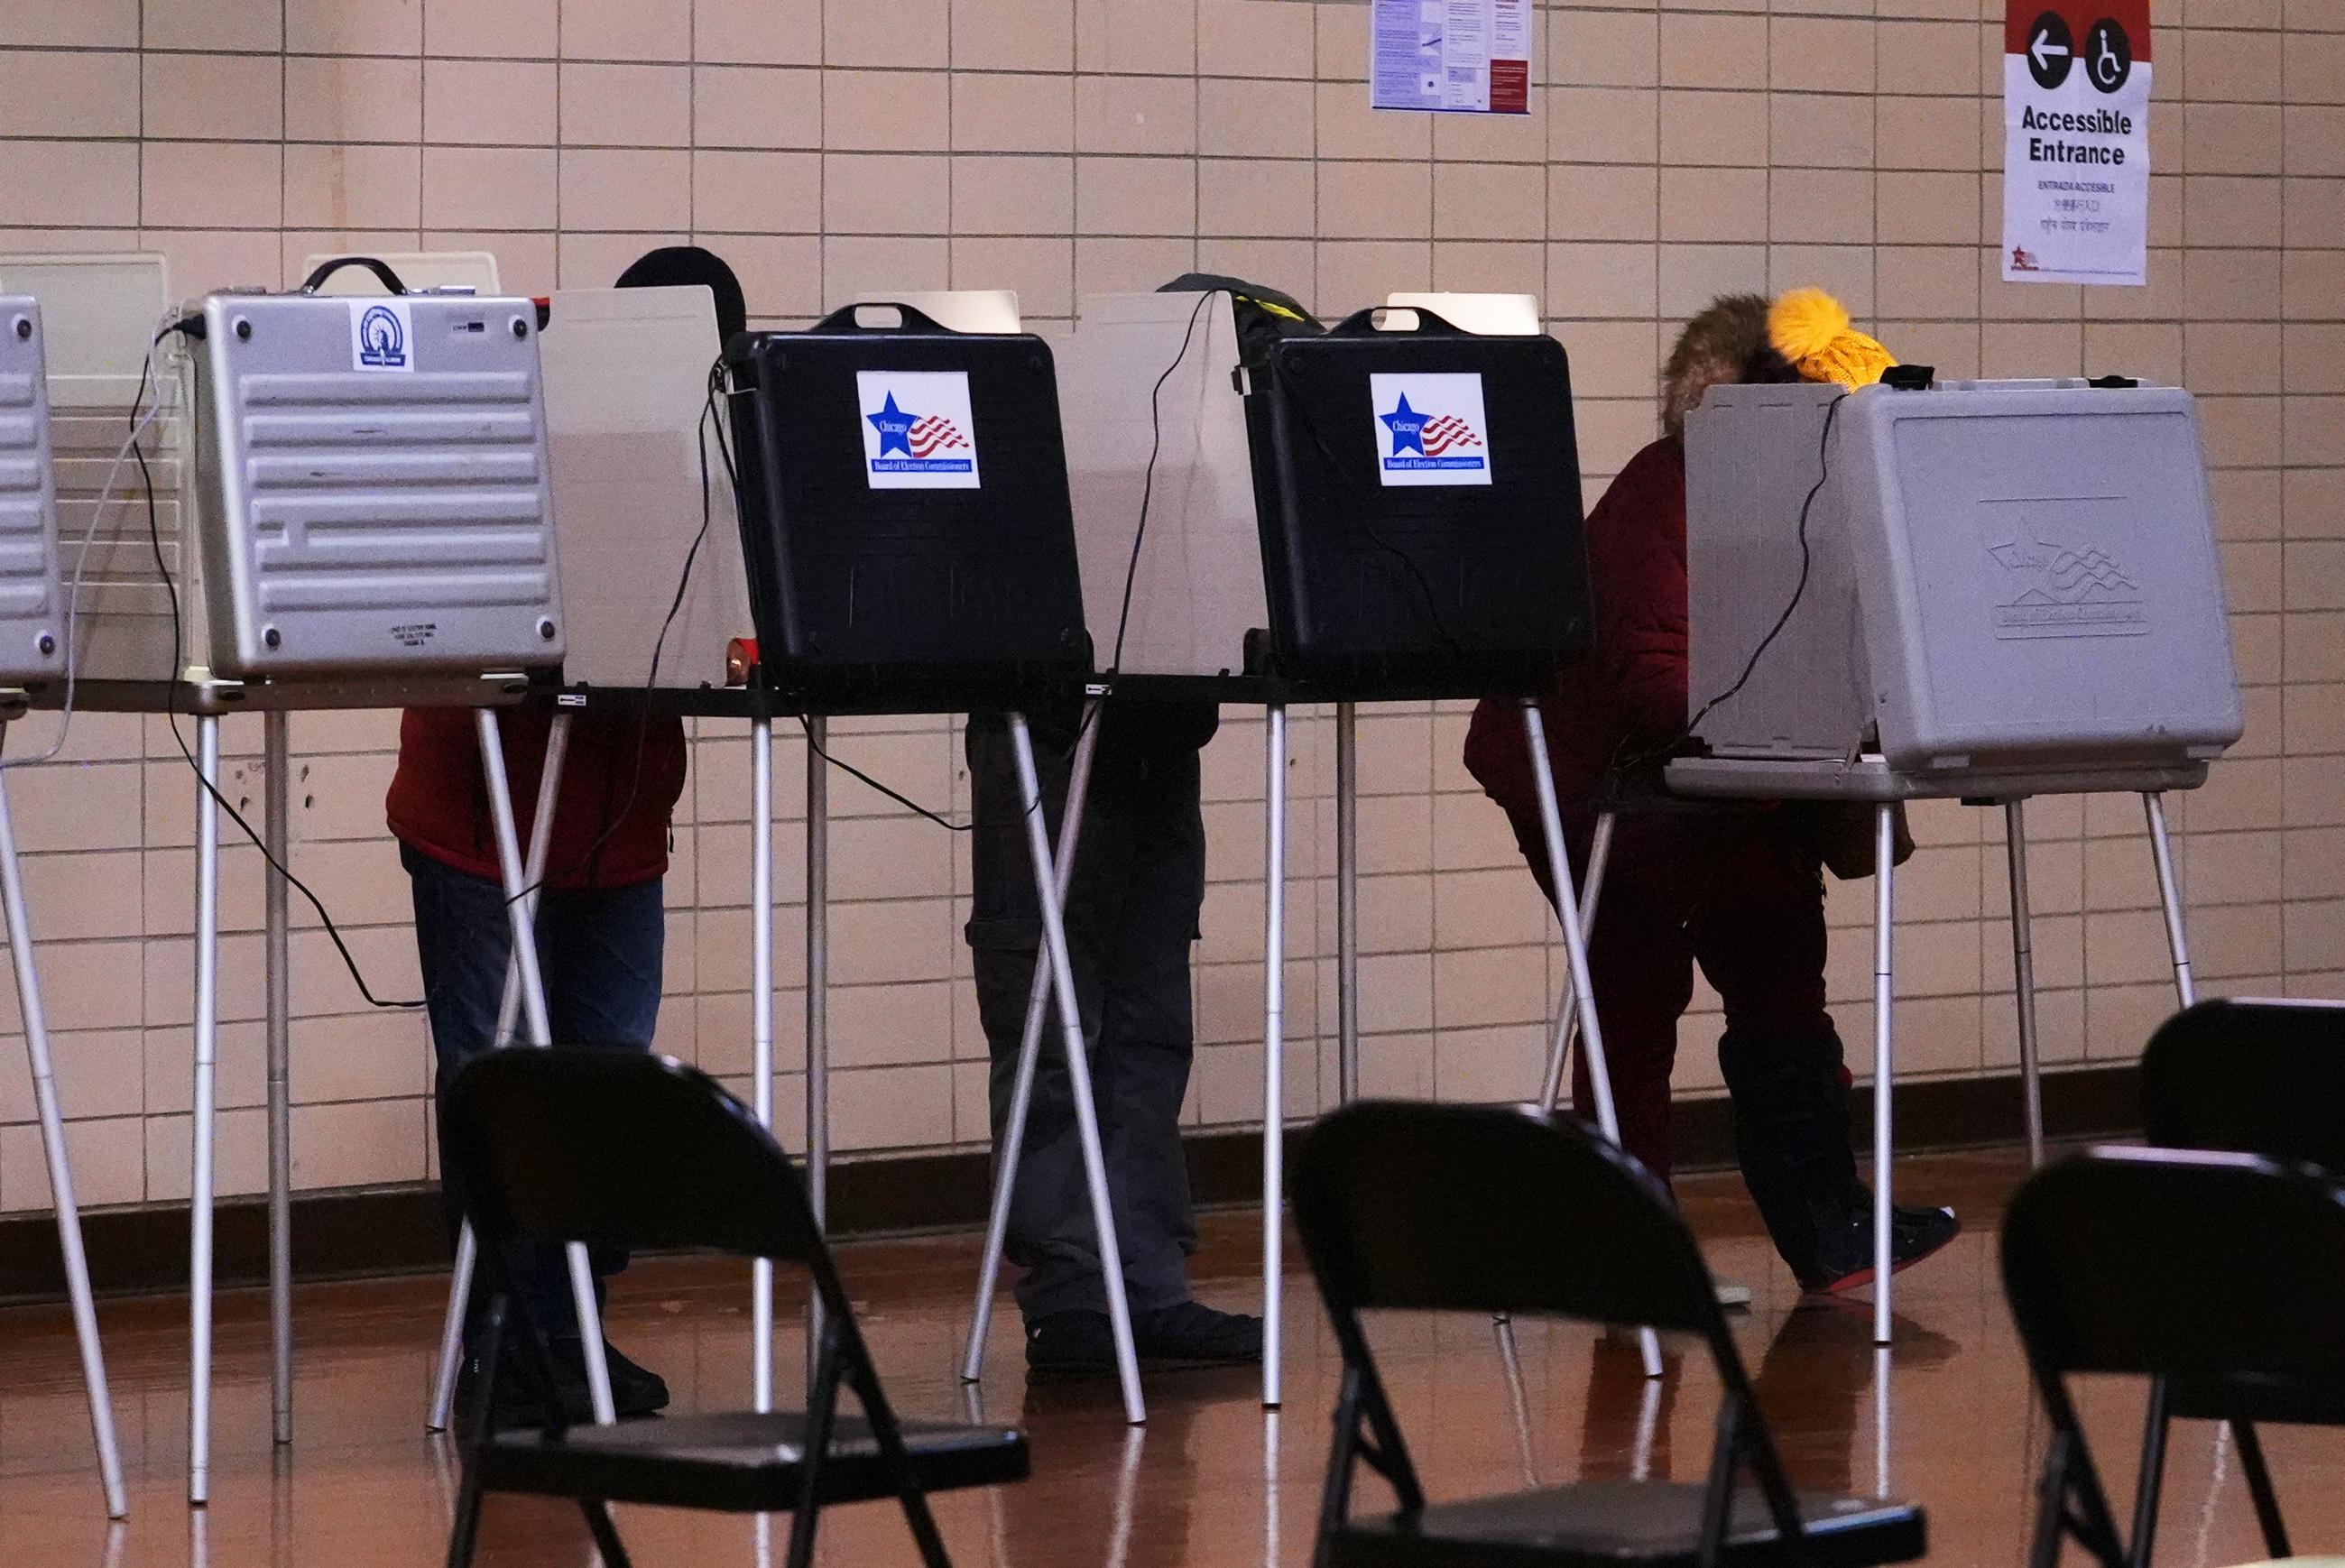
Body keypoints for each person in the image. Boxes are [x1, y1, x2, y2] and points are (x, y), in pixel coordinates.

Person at [1462, 289, 1961, 1296]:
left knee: (1780, 967)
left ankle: (1829, 1232)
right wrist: (1811, 712)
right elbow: (1652, 681)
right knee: (1637, 1002)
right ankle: (1629, 1251)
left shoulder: (1812, 495)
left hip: (1732, 781)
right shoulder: (1665, 495)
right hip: (1596, 790)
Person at [390, 245, 746, 1423]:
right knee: (497, 1085)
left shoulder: (720, 442)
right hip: (478, 817)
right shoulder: (532, 387)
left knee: (601, 1086)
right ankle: (502, 1343)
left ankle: (567, 1327)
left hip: (615, 830)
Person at [965, 698, 1262, 1372]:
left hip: (1161, 726)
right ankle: (1071, 1295)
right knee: (1047, 1022)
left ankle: (1145, 1284)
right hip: (1043, 724)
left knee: (1148, 1026)